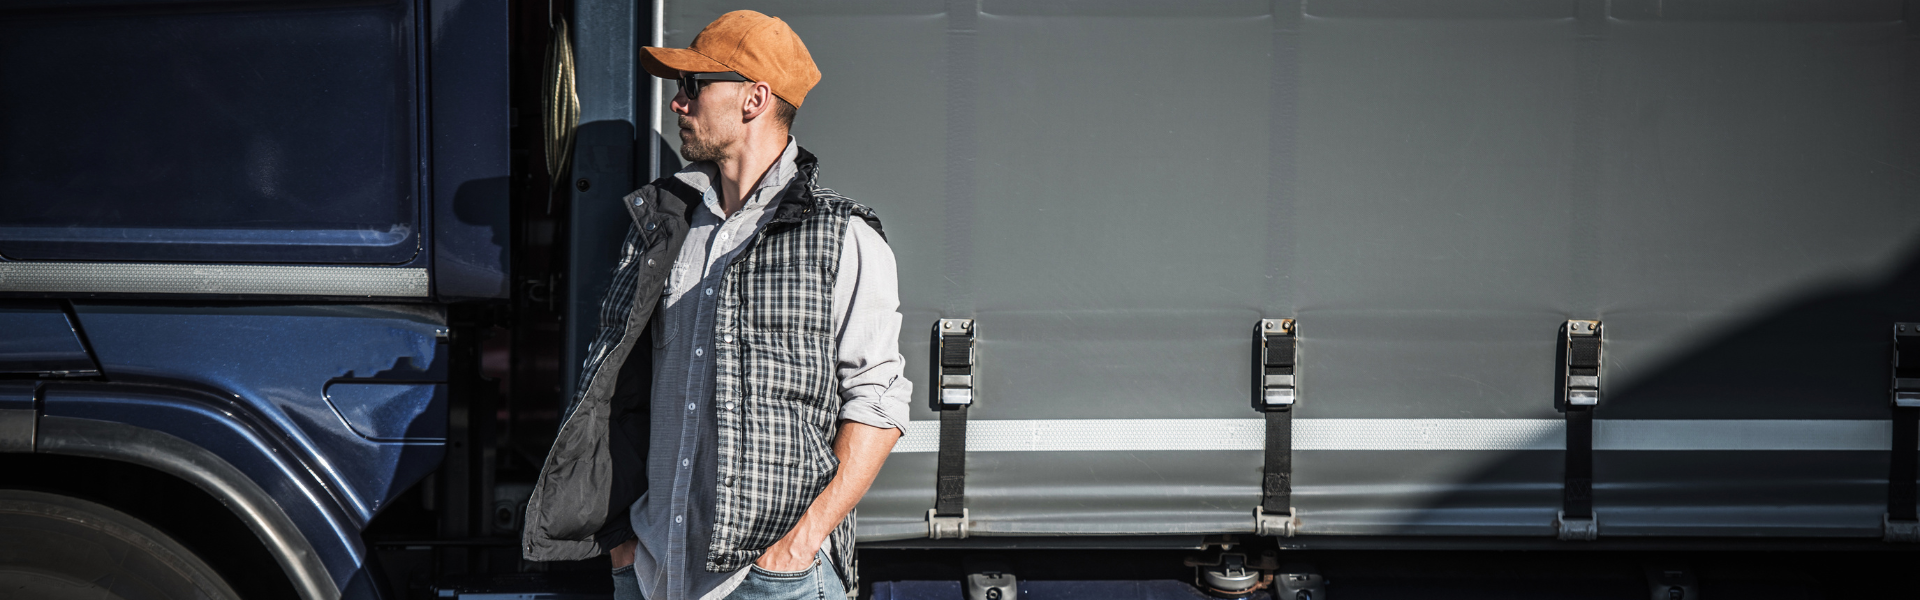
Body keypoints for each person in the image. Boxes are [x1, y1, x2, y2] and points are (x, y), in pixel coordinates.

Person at [520, 10, 912, 600]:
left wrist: (796, 549)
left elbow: (878, 405)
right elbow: (618, 389)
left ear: (755, 98)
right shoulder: (662, 229)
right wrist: (624, 545)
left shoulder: (843, 236)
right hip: (654, 571)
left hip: (770, 580)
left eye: (694, 87)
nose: (678, 102)